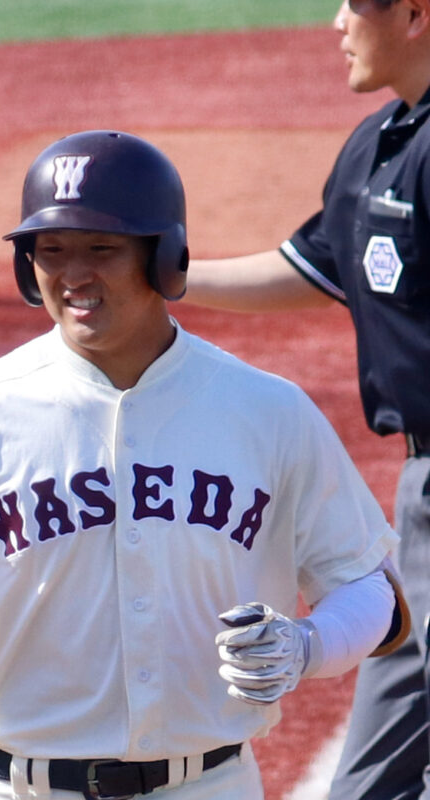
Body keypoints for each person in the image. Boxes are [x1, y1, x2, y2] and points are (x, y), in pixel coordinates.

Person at [0, 129, 409, 800]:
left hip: (209, 784)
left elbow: (372, 591)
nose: (73, 274)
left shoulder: (266, 410)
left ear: (164, 257)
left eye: (101, 249)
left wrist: (307, 646)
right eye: (51, 251)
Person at [181, 2, 430, 797]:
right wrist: (167, 279)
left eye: (355, 2)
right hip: (420, 492)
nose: (336, 21)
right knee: (369, 779)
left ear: (415, 14)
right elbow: (313, 268)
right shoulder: (381, 144)